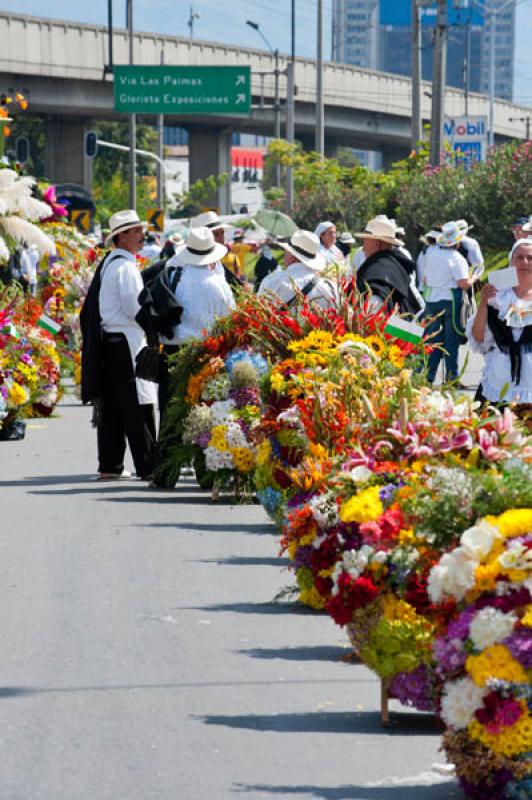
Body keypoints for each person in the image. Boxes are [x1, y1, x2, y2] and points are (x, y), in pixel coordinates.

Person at [96, 210, 158, 481]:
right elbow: (136, 308)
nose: (141, 236)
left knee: (113, 406)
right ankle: (147, 465)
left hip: (113, 340)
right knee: (137, 403)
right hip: (126, 340)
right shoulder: (125, 267)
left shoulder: (113, 262)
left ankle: (110, 464)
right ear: (122, 236)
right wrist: (156, 330)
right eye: (136, 231)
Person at [468, 239, 532, 410]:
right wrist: (483, 303)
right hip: (500, 375)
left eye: (530, 258)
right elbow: (479, 337)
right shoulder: (497, 296)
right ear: (511, 261)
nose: (525, 262)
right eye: (519, 257)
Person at [161, 226, 236, 345]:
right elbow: (230, 317)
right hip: (205, 348)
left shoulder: (173, 274)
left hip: (172, 345)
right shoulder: (219, 282)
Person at [421, 221, 472, 385]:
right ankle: (452, 376)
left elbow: (425, 279)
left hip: (432, 299)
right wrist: (474, 278)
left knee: (433, 339)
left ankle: (429, 376)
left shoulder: (431, 253)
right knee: (451, 340)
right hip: (450, 300)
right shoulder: (456, 258)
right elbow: (463, 283)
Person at [354, 216, 422, 315]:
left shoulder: (376, 270)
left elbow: (374, 307)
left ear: (376, 243)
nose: (363, 248)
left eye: (365, 241)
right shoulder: (395, 264)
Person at [260, 229, 337, 310]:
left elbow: (259, 314)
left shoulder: (272, 280)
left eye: (287, 251)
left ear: (292, 255)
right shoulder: (330, 287)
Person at [191, 211, 246, 291]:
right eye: (216, 234)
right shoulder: (196, 267)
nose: (221, 237)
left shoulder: (217, 262)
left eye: (222, 233)